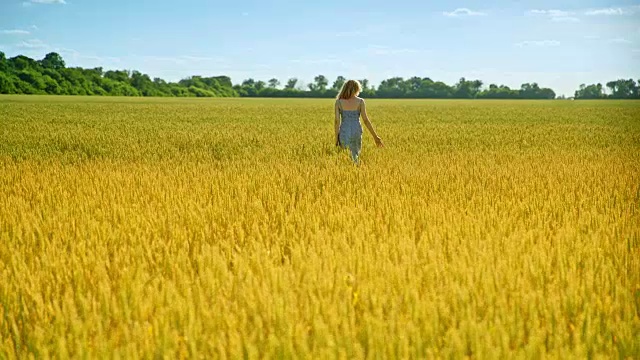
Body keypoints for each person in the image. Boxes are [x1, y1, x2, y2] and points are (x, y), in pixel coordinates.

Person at [334, 80, 384, 164]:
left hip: (344, 130)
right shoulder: (360, 101)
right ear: (357, 89)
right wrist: (375, 137)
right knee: (355, 154)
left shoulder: (338, 102)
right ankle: (356, 169)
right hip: (356, 130)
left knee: (344, 156)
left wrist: (336, 139)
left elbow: (337, 121)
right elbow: (366, 120)